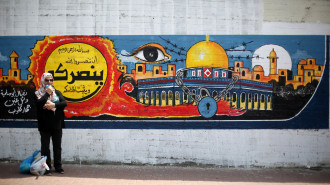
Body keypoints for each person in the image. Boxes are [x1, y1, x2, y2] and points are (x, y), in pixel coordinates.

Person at [35, 73, 67, 175]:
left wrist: (54, 105)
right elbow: (39, 104)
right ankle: (47, 168)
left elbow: (64, 103)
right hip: (44, 124)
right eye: (47, 80)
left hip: (57, 123)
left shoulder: (57, 92)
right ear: (43, 81)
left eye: (51, 80)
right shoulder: (37, 93)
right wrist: (47, 94)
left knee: (57, 147)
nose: (49, 82)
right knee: (45, 147)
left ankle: (58, 167)